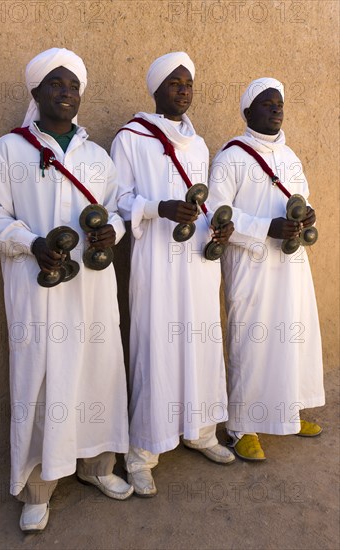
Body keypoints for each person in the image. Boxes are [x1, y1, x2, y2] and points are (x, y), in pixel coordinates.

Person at [0, 48, 132, 533]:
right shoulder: (8, 151)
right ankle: (37, 489)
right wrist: (31, 242)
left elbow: (116, 209)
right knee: (42, 383)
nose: (66, 94)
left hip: (92, 290)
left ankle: (97, 467)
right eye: (56, 85)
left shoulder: (96, 155)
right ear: (36, 92)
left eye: (73, 86)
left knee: (97, 373)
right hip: (37, 290)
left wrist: (115, 232)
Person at [111, 51, 235, 497]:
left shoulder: (198, 144)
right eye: (175, 83)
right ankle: (143, 451)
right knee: (156, 347)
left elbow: (205, 200)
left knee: (201, 342)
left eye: (188, 84)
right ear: (157, 89)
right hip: (156, 262)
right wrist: (156, 207)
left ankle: (201, 430)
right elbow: (119, 198)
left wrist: (217, 227)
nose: (183, 91)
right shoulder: (130, 138)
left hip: (197, 261)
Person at [208, 77, 325, 461]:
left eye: (280, 104)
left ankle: (286, 412)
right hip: (251, 264)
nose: (276, 109)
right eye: (267, 104)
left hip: (291, 263)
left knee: (292, 338)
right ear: (247, 113)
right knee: (253, 342)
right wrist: (265, 228)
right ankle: (242, 427)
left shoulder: (290, 157)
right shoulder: (231, 157)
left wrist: (305, 214)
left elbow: (301, 196)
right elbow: (216, 213)